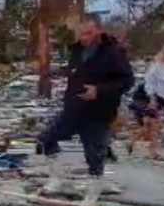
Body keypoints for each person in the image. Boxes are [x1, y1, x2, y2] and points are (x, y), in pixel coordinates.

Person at [36, 14, 134, 188]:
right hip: (74, 107)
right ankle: (56, 178)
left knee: (94, 152)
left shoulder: (113, 52)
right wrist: (57, 73)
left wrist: (99, 90)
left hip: (98, 111)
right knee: (46, 139)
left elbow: (127, 81)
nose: (85, 38)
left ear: (99, 30)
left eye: (89, 33)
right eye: (81, 34)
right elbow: (76, 71)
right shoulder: (77, 50)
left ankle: (96, 184)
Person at [131, 41, 164, 161]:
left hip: (162, 98)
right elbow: (149, 83)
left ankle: (131, 142)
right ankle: (153, 152)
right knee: (155, 125)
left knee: (149, 126)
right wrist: (152, 99)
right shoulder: (155, 66)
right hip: (149, 97)